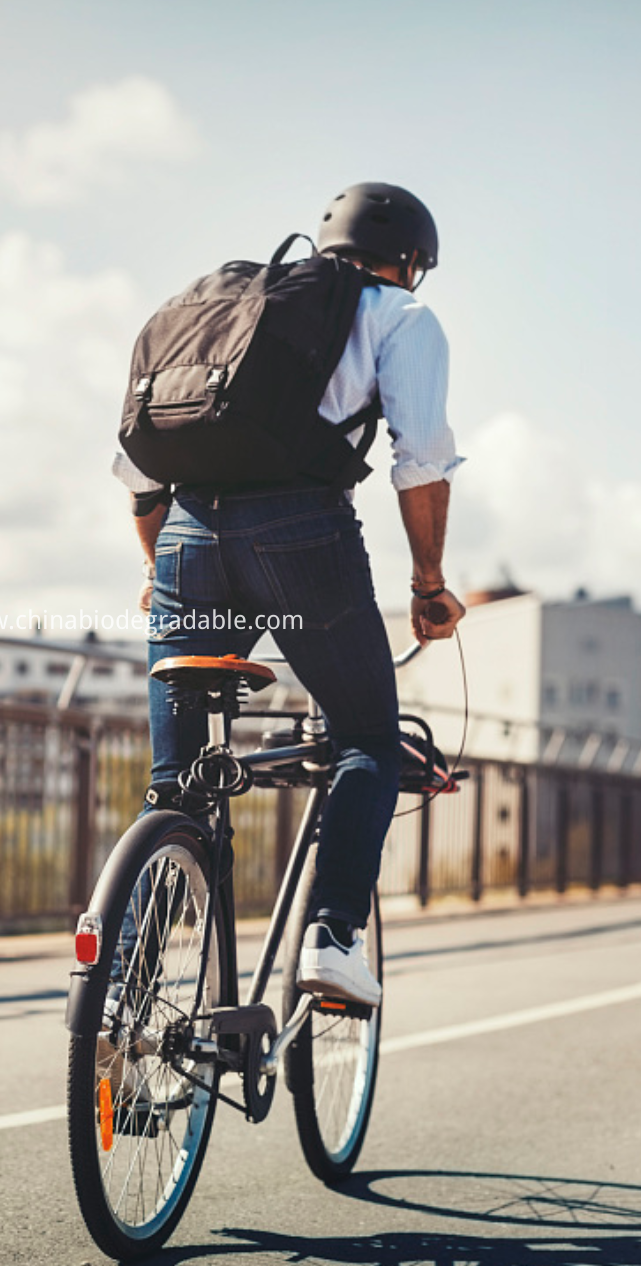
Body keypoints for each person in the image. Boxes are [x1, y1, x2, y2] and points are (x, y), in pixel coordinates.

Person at [112, 181, 465, 1006]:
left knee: (178, 785)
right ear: (410, 262)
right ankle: (333, 937)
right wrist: (429, 586)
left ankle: (121, 994)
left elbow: (138, 474)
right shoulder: (401, 317)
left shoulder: (224, 309)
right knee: (367, 742)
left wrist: (154, 569)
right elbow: (421, 459)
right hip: (302, 537)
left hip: (188, 537)